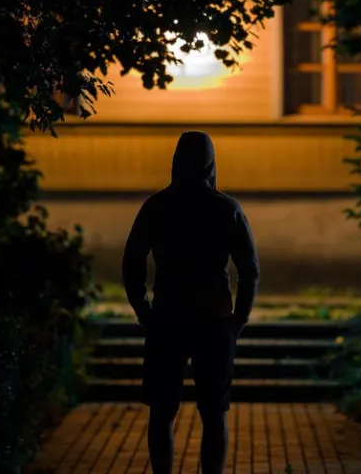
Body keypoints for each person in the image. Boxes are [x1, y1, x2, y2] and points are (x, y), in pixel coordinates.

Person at [122, 130, 261, 474]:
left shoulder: (157, 206)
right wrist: (238, 319)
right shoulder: (226, 209)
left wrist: (143, 310)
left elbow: (132, 262)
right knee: (214, 412)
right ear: (212, 164)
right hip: (214, 319)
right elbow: (250, 270)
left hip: (167, 317)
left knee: (162, 410)